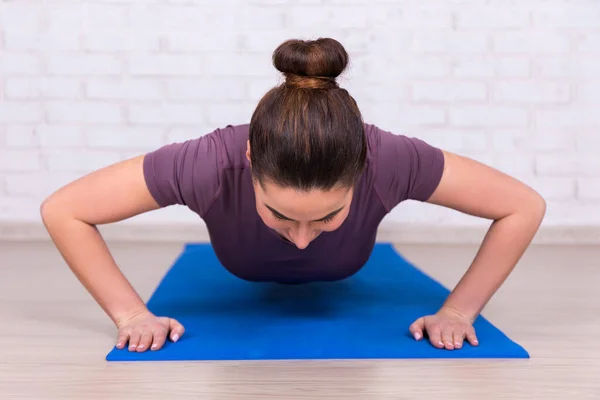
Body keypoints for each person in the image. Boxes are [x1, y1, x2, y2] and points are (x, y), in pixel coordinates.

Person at [40, 38, 546, 354]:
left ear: (363, 170)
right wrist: (131, 315)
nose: (302, 240)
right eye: (281, 216)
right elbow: (65, 210)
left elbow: (522, 205)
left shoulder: (389, 159)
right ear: (248, 160)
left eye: (326, 218)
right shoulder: (207, 164)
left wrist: (458, 312)